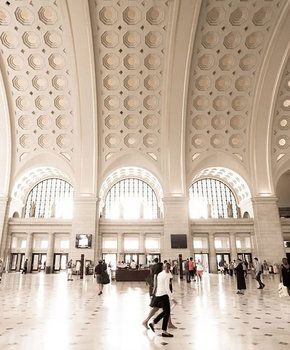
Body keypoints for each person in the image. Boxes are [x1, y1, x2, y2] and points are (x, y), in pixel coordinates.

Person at [148, 263, 177, 337]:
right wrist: (172, 298)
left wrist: (169, 270)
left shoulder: (160, 274)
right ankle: (163, 330)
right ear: (165, 268)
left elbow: (171, 275)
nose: (168, 269)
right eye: (167, 268)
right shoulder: (167, 276)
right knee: (167, 312)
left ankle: (155, 324)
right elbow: (167, 288)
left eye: (168, 268)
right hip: (164, 295)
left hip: (158, 295)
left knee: (166, 312)